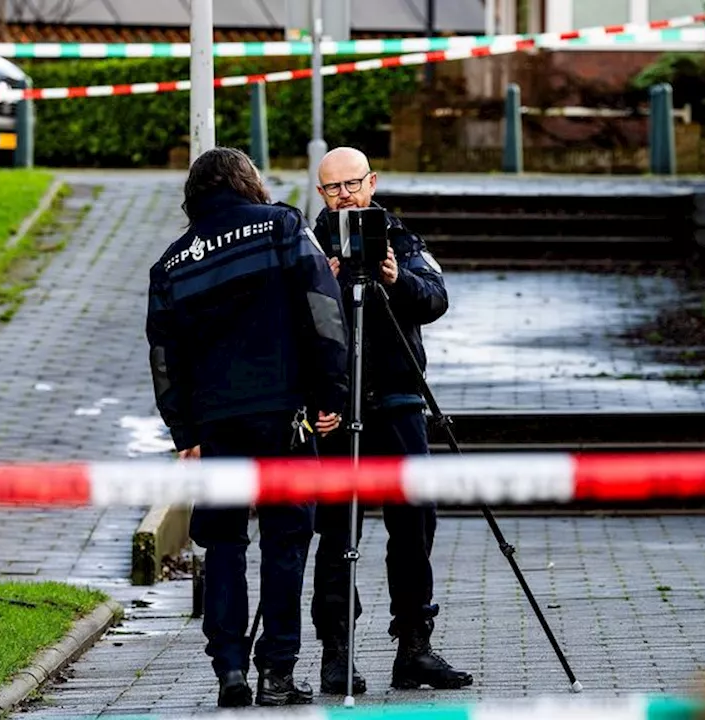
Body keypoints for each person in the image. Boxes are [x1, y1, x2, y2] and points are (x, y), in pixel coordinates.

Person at [146, 147, 349, 708]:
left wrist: (184, 432)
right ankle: (277, 673)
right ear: (245, 182)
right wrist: (332, 389)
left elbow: (164, 357)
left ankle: (230, 670)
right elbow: (322, 307)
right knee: (287, 542)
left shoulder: (170, 264)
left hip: (216, 428)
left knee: (225, 544)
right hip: (284, 416)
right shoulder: (282, 225)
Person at [308, 146, 472, 694]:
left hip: (399, 400)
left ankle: (415, 647)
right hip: (337, 406)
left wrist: (397, 278)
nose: (345, 196)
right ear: (320, 193)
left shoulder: (400, 238)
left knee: (414, 521)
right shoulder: (307, 247)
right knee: (337, 531)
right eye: (333, 188)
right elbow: (287, 325)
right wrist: (324, 284)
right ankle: (337, 652)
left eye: (352, 184)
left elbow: (436, 300)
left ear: (372, 182)